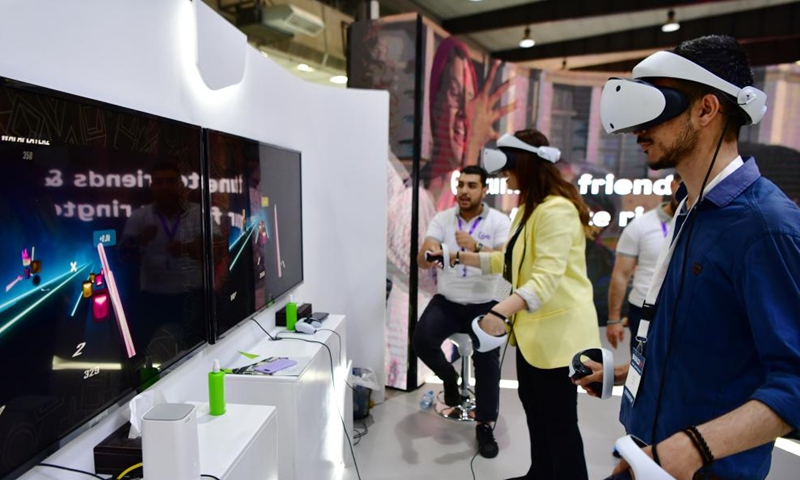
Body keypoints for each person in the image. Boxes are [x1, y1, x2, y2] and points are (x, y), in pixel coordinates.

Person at [574, 35, 800, 480]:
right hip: (646, 452)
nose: (638, 127)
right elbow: (695, 339)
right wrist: (621, 374)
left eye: (657, 105)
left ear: (706, 109)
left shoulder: (766, 227)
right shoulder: (689, 206)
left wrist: (693, 448)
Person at [442, 129, 601, 480]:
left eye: (508, 169)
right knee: (535, 410)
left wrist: (500, 311)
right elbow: (510, 263)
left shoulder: (556, 210)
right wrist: (461, 257)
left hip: (559, 340)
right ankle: (540, 473)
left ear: (523, 164)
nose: (506, 178)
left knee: (560, 423)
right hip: (532, 338)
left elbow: (544, 279)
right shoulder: (529, 209)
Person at [412, 165, 511, 459]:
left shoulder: (499, 221)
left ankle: (484, 426)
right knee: (421, 340)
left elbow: (506, 260)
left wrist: (476, 246)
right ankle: (449, 379)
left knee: (487, 362)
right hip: (449, 300)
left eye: (471, 185)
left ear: (484, 190)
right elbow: (423, 256)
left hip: (484, 302)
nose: (464, 191)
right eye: (461, 185)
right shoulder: (443, 219)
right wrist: (428, 254)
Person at [425, 36, 514, 210]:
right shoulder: (413, 192)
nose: (464, 112)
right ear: (435, 105)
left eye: (471, 99)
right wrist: (472, 146)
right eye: (455, 94)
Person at [606, 173, 681, 352]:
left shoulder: (702, 225)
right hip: (644, 311)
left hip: (686, 312)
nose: (688, 192)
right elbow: (621, 275)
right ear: (672, 185)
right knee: (639, 371)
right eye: (683, 186)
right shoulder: (641, 225)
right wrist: (614, 319)